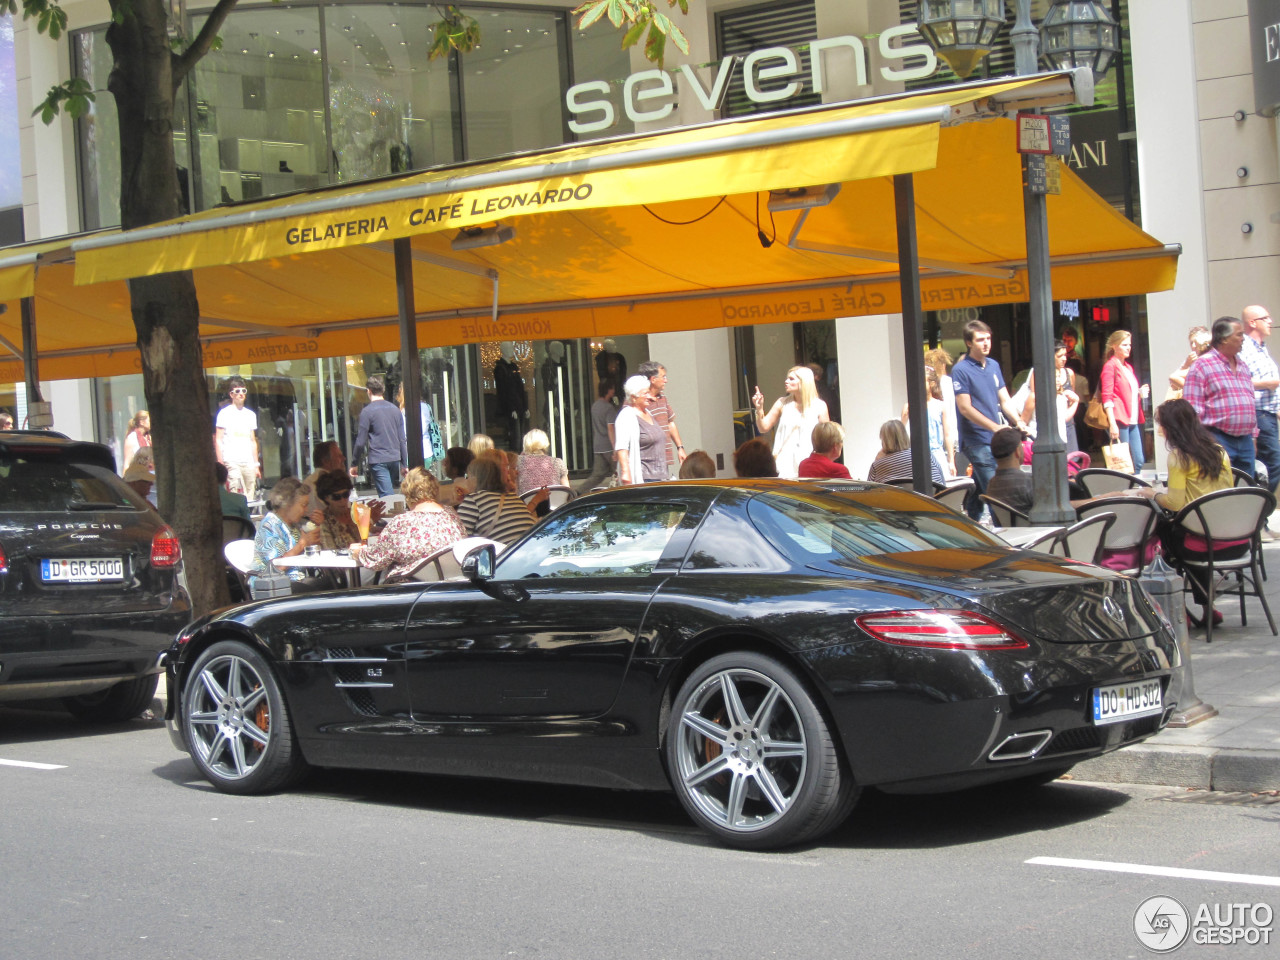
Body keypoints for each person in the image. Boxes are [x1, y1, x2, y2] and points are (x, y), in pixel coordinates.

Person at [1134, 399, 1237, 625]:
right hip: (1233, 537)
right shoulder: (1219, 451)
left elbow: (1175, 502)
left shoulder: (1179, 457)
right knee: (1178, 539)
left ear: (1172, 427)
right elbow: (1227, 491)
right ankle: (1206, 607)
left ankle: (1179, 610)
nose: (1159, 430)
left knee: (1163, 539)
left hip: (1201, 537)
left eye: (1161, 424)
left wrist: (1152, 494)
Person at [952, 320, 1026, 519]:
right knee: (997, 494)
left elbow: (1004, 399)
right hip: (976, 439)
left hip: (994, 438)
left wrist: (1018, 421)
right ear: (969, 343)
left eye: (988, 339)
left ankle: (971, 524)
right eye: (980, 340)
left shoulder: (993, 365)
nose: (986, 343)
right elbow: (965, 408)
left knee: (980, 486)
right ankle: (1003, 532)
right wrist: (995, 427)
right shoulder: (961, 370)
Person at [350, 468, 465, 581]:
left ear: (408, 494)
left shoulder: (402, 523)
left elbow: (376, 559)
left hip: (411, 590)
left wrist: (357, 552)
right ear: (435, 491)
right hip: (449, 584)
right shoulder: (451, 515)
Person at [1184, 317, 1258, 478]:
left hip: (1245, 440)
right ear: (1224, 339)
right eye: (1239, 335)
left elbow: (1250, 402)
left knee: (1246, 491)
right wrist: (1203, 442)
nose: (1243, 338)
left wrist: (1253, 437)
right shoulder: (1202, 365)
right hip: (1217, 439)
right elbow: (1192, 409)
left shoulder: (1243, 366)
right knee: (1221, 490)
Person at [248, 477, 327, 595]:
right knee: (317, 591)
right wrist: (301, 545)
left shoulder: (294, 527)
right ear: (287, 504)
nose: (306, 511)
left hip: (295, 582)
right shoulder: (270, 525)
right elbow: (276, 568)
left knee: (329, 584)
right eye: (303, 505)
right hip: (271, 587)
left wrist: (319, 531)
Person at [751, 365, 830, 479]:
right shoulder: (782, 403)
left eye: (791, 379)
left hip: (808, 464)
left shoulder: (819, 406)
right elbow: (763, 427)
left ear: (804, 382)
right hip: (784, 465)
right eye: (787, 378)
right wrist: (759, 408)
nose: (786, 381)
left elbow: (826, 439)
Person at [1240, 304, 1280, 515]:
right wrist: (1269, 383)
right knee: (1272, 464)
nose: (1271, 321)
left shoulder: (1261, 348)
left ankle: (1257, 518)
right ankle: (1256, 515)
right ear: (1252, 323)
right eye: (1266, 318)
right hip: (1258, 414)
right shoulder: (1245, 348)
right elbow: (1240, 380)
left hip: (1269, 414)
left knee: (1268, 466)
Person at [456, 450, 541, 544]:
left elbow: (459, 540)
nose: (466, 481)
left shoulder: (472, 501)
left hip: (502, 556)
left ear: (475, 478)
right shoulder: (513, 498)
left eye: (468, 476)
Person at [1099, 329, 1150, 471]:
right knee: (1123, 462)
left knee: (1138, 460)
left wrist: (1139, 393)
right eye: (1124, 345)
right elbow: (1107, 396)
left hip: (1132, 417)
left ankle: (1133, 488)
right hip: (1120, 418)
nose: (1128, 348)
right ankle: (1125, 490)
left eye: (1129, 345)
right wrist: (1112, 423)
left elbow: (1126, 393)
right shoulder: (1110, 366)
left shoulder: (1128, 367)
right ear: (1114, 346)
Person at [1018, 341, 1081, 454]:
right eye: (1059, 356)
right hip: (1042, 427)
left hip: (1065, 422)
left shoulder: (1069, 373)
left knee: (1070, 460)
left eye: (1065, 355)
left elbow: (1070, 400)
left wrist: (1073, 401)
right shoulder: (1038, 373)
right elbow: (1035, 397)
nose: (1064, 359)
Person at [351, 374, 408, 497]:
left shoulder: (367, 412)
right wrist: (404, 464)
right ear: (383, 390)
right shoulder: (395, 410)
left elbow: (360, 441)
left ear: (368, 391)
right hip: (394, 458)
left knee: (387, 497)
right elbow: (402, 439)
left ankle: (394, 515)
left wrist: (354, 463)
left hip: (378, 459)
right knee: (389, 493)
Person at [614, 374, 669, 484]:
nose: (650, 396)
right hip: (644, 478)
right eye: (645, 393)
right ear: (634, 397)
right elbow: (622, 446)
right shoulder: (627, 415)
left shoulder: (648, 413)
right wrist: (625, 472)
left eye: (649, 392)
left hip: (660, 476)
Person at [903, 367, 957, 478]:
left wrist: (951, 461)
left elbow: (947, 435)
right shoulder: (909, 406)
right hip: (917, 453)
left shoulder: (940, 406)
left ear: (931, 383)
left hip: (937, 452)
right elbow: (901, 431)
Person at [314, 469, 384, 551]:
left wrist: (372, 524)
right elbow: (329, 551)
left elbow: (369, 534)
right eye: (336, 497)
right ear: (326, 498)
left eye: (345, 494)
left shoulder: (356, 513)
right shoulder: (324, 521)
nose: (342, 500)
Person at [215, 378, 260, 501]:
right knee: (237, 492)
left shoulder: (250, 415)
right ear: (231, 394)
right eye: (238, 391)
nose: (241, 393)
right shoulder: (224, 414)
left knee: (250, 493)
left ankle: (248, 518)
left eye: (244, 391)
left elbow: (252, 441)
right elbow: (218, 440)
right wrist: (221, 462)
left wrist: (256, 465)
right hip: (231, 460)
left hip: (248, 461)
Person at [639, 360, 685, 476]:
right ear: (653, 380)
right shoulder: (637, 401)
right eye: (663, 377)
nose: (666, 380)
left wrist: (680, 448)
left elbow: (670, 423)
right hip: (646, 463)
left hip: (663, 459)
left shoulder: (662, 398)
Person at [868, 419, 945, 485]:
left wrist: (877, 461)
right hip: (929, 501)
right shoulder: (926, 456)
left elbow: (867, 493)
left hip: (894, 502)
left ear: (884, 441)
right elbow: (942, 482)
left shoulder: (877, 466)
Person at [575, 379, 618, 495]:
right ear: (608, 390)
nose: (614, 391)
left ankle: (578, 491)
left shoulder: (595, 406)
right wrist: (615, 448)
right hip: (609, 445)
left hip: (598, 446)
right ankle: (617, 494)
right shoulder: (609, 408)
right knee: (619, 472)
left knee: (597, 475)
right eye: (612, 388)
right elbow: (611, 428)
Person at [983, 427, 1034, 514]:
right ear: (1017, 451)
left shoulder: (991, 485)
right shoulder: (1028, 481)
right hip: (1031, 527)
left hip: (1004, 527)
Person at [396, 382, 439, 467]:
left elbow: (403, 433)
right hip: (427, 451)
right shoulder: (426, 407)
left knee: (412, 479)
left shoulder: (403, 410)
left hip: (409, 453)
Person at [516, 428, 568, 495]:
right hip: (554, 504)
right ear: (546, 443)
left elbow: (514, 491)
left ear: (526, 444)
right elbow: (567, 491)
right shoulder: (557, 462)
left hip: (527, 504)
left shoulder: (518, 461)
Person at [1166, 325, 1212, 401]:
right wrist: (1186, 364)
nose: (1194, 346)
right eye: (1191, 343)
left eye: (1196, 342)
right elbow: (1173, 383)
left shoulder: (1210, 358)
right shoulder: (1189, 360)